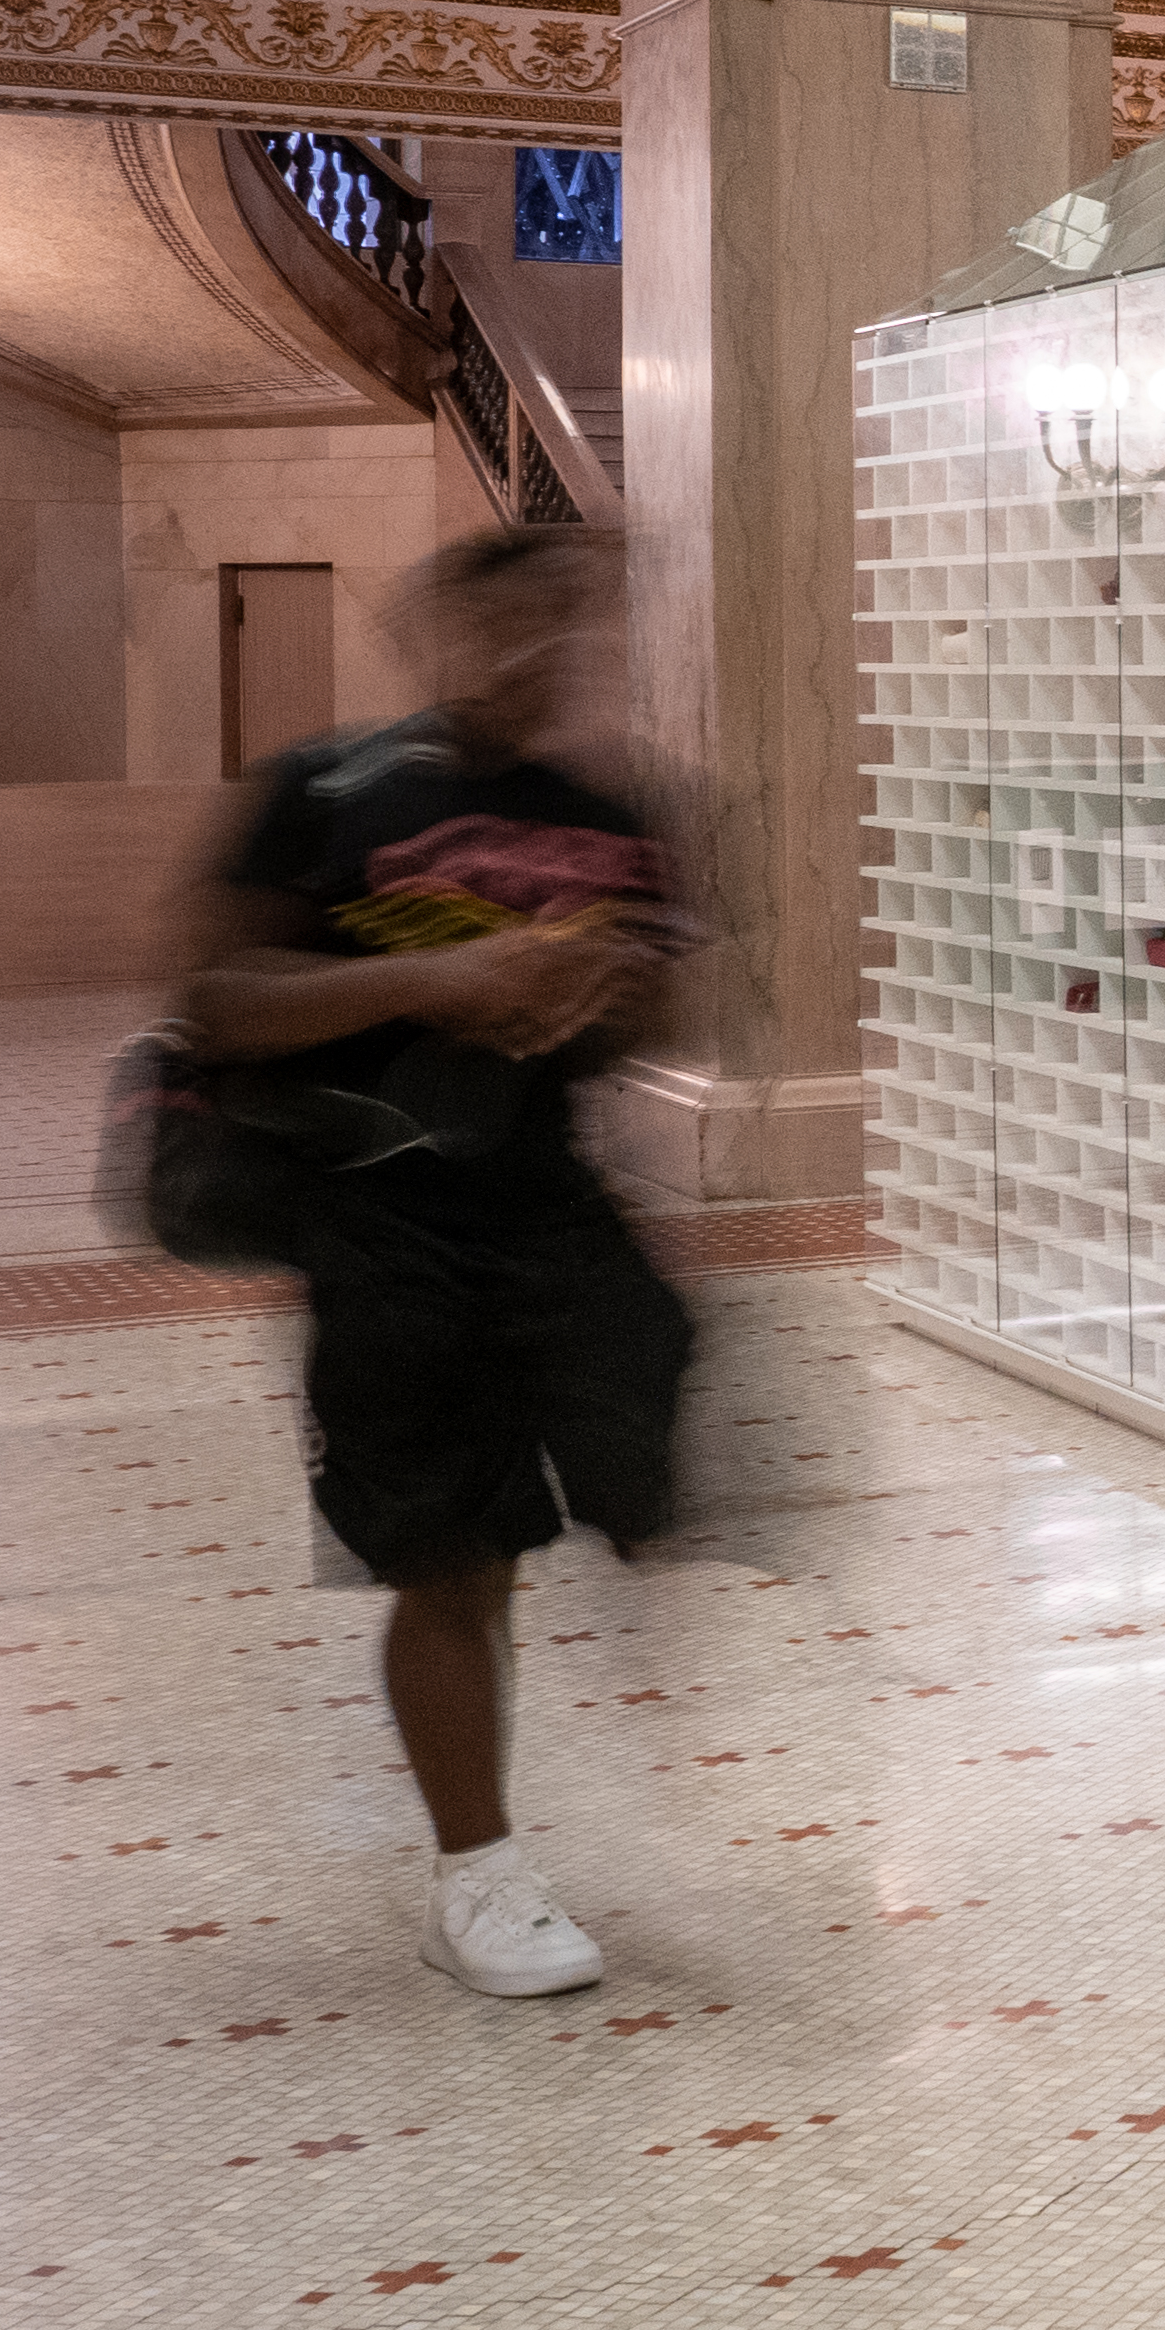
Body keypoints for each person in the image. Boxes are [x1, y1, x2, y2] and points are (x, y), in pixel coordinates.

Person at [174, 528, 703, 1997]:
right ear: (432, 632)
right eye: (505, 624)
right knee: (452, 1555)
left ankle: (522, 1699)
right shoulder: (326, 790)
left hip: (549, 1206)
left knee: (623, 1446)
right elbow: (213, 999)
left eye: (566, 626)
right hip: (382, 1215)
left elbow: (654, 1022)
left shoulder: (607, 813)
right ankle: (477, 1876)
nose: (538, 655)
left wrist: (604, 988)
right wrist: (439, 979)